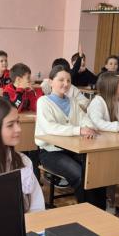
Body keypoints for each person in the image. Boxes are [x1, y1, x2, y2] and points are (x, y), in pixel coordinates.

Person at [35, 65, 105, 208]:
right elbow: (50, 127)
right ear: (51, 82)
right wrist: (79, 130)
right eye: (61, 80)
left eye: (68, 80)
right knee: (79, 174)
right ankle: (87, 211)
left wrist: (89, 127)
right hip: (50, 152)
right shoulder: (43, 101)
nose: (66, 84)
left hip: (72, 149)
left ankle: (100, 210)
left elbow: (84, 118)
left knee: (95, 171)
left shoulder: (72, 101)